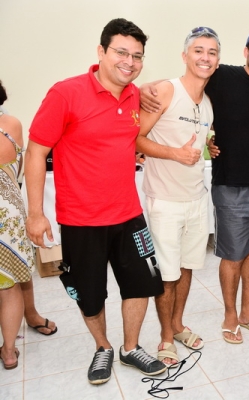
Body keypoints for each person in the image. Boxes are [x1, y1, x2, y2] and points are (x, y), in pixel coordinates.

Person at [25, 18, 166, 384]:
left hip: (129, 213)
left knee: (143, 283)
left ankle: (130, 347)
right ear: (101, 52)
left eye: (137, 56)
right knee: (90, 294)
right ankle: (103, 347)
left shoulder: (134, 95)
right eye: (122, 52)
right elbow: (36, 152)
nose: (130, 62)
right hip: (81, 219)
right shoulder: (66, 93)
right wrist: (35, 213)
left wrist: (143, 89)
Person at [141, 27, 249, 343]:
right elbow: (179, 83)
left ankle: (247, 311)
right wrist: (143, 88)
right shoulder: (223, 76)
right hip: (229, 186)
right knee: (232, 255)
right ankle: (230, 315)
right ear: (246, 51)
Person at [136, 27, 220, 366]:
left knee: (187, 268)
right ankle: (165, 338)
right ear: (185, 56)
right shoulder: (166, 90)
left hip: (197, 199)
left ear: (218, 61)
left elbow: (196, 141)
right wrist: (174, 154)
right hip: (165, 201)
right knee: (167, 275)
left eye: (212, 52)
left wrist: (209, 146)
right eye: (198, 50)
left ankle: (178, 324)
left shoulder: (208, 103)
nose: (205, 57)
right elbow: (135, 137)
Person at [0, 87, 57, 337]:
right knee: (17, 264)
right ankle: (23, 319)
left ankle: (29, 314)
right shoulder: (11, 123)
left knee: (16, 267)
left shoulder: (9, 122)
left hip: (7, 210)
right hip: (10, 210)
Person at [0, 80, 35, 370]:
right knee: (9, 285)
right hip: (9, 216)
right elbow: (20, 170)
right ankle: (9, 351)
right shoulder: (11, 124)